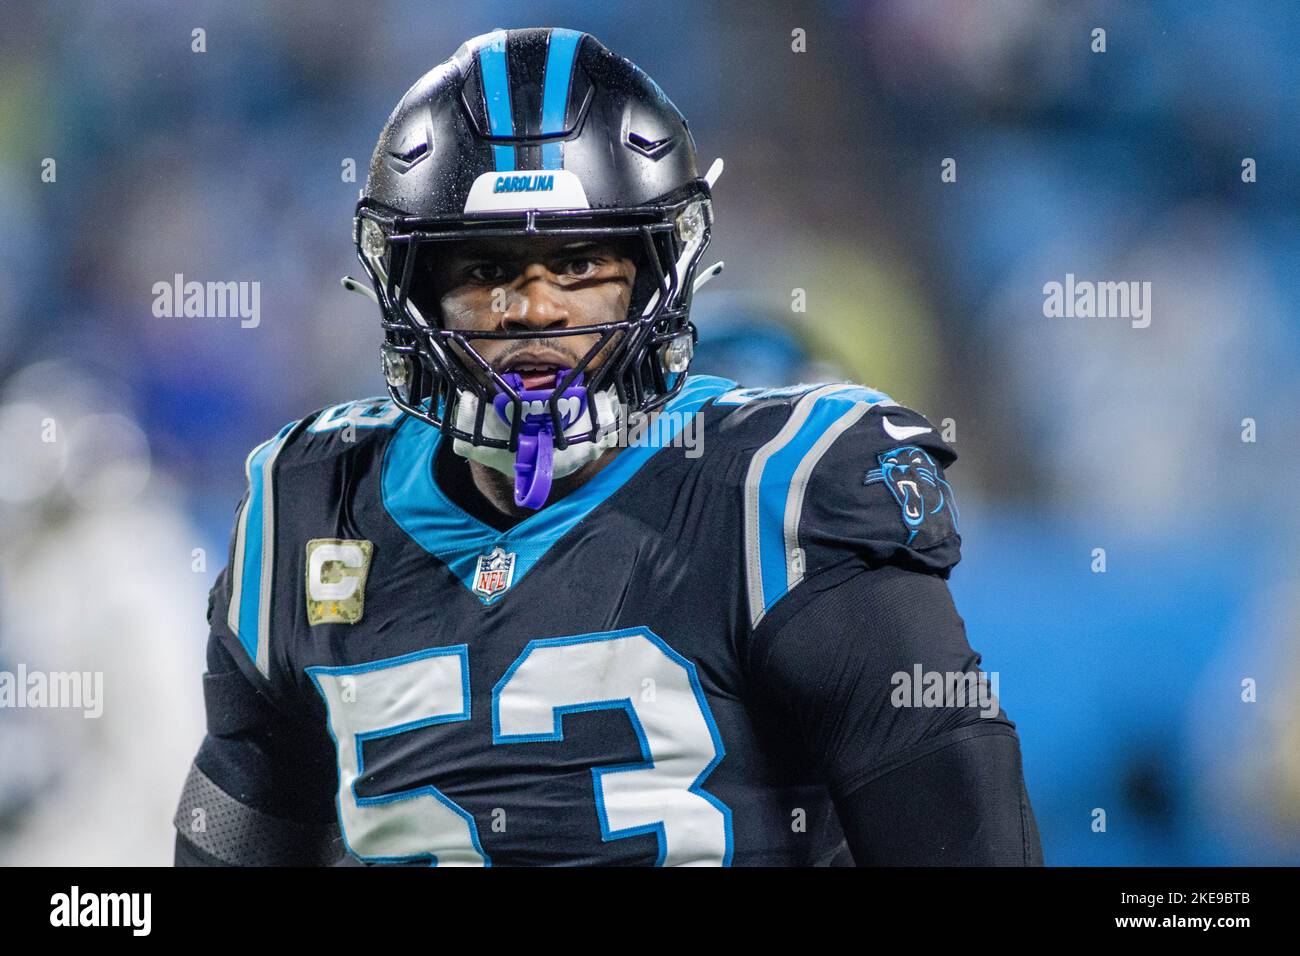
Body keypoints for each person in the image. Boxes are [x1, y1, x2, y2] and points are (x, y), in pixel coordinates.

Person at [174, 27, 1042, 866]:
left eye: (581, 265)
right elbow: (229, 842)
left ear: (658, 269)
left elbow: (965, 841)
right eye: (486, 271)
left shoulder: (780, 490)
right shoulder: (307, 507)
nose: (540, 308)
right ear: (413, 295)